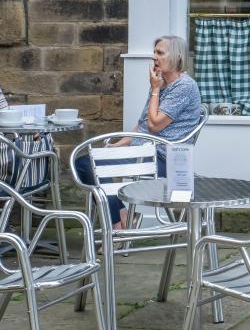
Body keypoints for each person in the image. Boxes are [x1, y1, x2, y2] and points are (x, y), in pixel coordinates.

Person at [74, 35, 202, 228]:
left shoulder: (184, 86)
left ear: (175, 56)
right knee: (84, 163)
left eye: (159, 53)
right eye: (154, 52)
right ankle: (124, 216)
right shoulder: (162, 83)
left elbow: (155, 126)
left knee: (91, 166)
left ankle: (116, 226)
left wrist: (155, 90)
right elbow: (142, 125)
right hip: (144, 152)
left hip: (165, 159)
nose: (154, 57)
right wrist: (116, 146)